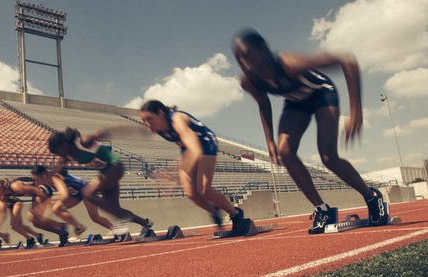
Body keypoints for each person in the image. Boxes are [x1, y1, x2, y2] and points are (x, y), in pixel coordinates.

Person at [232, 28, 388, 234]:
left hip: (321, 93)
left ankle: (371, 197)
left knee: (328, 156)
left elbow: (346, 60)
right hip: (296, 103)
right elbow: (263, 103)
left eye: (249, 56)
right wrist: (269, 140)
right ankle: (322, 209)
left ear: (264, 50)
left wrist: (356, 111)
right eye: (240, 60)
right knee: (285, 151)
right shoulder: (248, 81)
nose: (246, 64)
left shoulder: (289, 63)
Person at [139, 100, 246, 235]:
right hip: (187, 147)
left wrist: (173, 172)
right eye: (144, 121)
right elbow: (187, 147)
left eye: (149, 119)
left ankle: (236, 214)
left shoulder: (177, 120)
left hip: (206, 142)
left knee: (204, 189)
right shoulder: (160, 128)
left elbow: (196, 150)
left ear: (160, 113)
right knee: (191, 193)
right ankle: (214, 210)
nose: (148, 125)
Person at [47, 127, 154, 236]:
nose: (59, 156)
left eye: (58, 152)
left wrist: (137, 131)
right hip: (106, 173)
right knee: (115, 210)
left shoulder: (84, 141)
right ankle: (145, 223)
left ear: (64, 145)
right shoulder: (67, 155)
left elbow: (109, 131)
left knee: (86, 193)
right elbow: (56, 167)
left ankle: (122, 219)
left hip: (115, 167)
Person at [31, 165, 115, 236]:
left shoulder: (54, 179)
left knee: (95, 218)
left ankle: (115, 229)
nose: (36, 182)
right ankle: (78, 227)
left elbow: (64, 195)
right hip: (76, 194)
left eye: (36, 180)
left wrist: (48, 210)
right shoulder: (47, 181)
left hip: (87, 191)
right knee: (57, 209)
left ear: (43, 176)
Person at [0, 177, 53, 248]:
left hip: (41, 189)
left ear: (0, 188)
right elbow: (3, 210)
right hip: (17, 202)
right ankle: (38, 235)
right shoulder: (3, 194)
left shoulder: (15, 187)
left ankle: (30, 239)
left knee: (14, 225)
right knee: (20, 226)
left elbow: (37, 190)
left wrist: (46, 204)